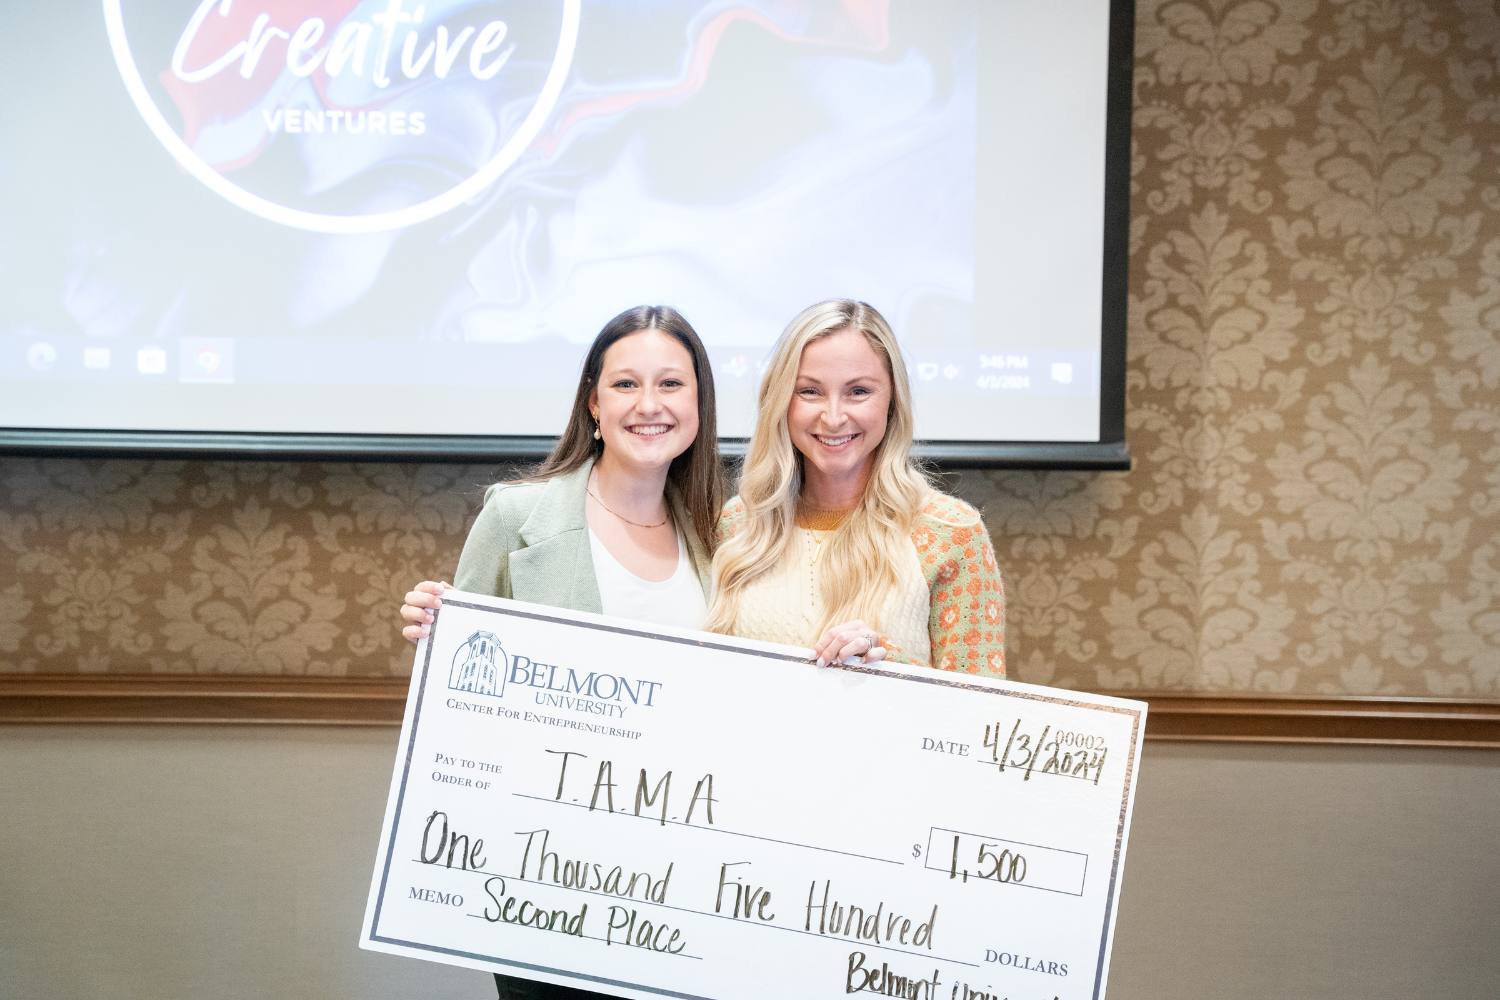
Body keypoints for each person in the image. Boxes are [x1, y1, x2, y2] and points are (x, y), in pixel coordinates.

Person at [397, 304, 722, 999]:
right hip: (544, 876)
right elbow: (463, 698)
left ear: (699, 404)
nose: (650, 405)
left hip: (686, 879)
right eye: (626, 385)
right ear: (593, 402)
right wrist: (439, 635)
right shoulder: (516, 517)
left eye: (671, 385)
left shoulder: (723, 537)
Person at [706, 298, 1005, 676]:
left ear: (892, 402)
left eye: (858, 392)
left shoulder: (952, 532)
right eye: (809, 392)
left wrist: (886, 661)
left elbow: (980, 709)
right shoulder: (738, 524)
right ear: (781, 401)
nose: (833, 417)